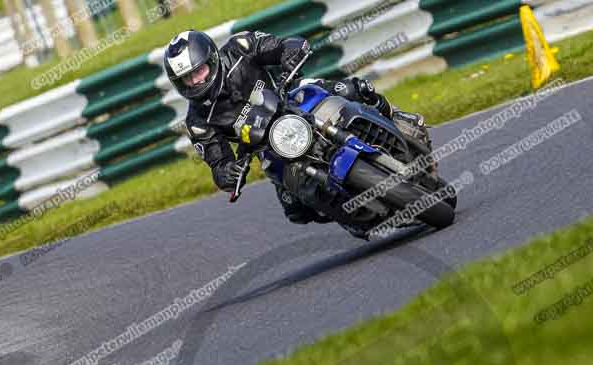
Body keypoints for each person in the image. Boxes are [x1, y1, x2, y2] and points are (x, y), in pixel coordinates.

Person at [163, 29, 431, 229]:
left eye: (198, 71)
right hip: (268, 145)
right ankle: (361, 216)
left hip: (293, 96)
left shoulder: (239, 48)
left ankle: (399, 119)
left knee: (354, 89)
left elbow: (280, 45)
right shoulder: (198, 121)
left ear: (212, 58)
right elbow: (218, 163)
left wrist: (290, 52)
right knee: (297, 210)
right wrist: (228, 173)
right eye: (187, 78)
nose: (195, 81)